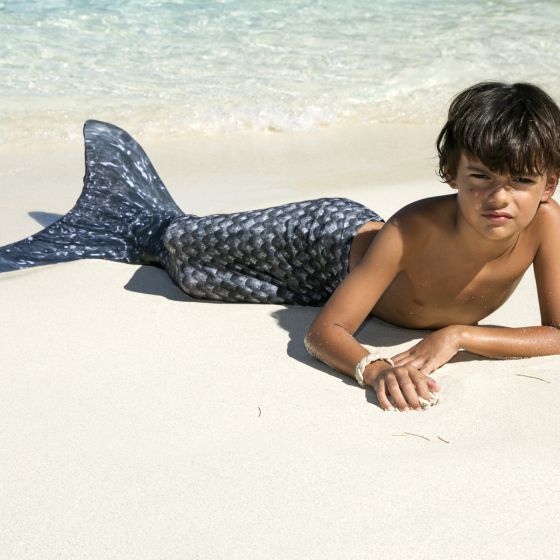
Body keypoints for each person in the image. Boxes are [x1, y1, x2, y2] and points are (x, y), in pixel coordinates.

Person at [1, 82, 559, 412]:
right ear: (451, 172)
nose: (498, 198)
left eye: (520, 182)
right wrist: (372, 366)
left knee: (201, 281)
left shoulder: (547, 226)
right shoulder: (411, 230)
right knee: (174, 246)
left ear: (548, 184)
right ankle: (104, 214)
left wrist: (457, 336)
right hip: (318, 240)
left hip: (326, 285)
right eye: (480, 176)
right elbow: (325, 333)